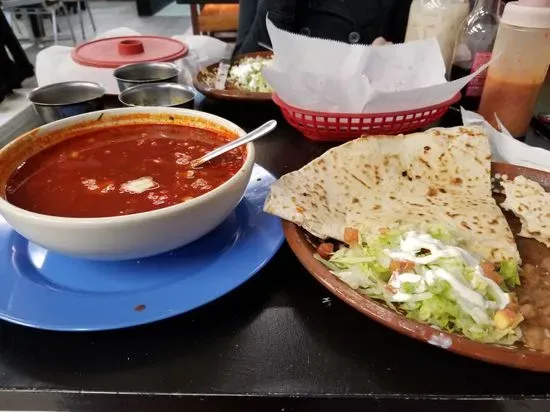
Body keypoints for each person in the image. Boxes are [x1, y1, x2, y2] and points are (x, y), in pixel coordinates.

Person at [235, 0, 413, 55]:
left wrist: (387, 59)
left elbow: (411, 62)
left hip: (357, 118)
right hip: (273, 118)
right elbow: (240, 69)